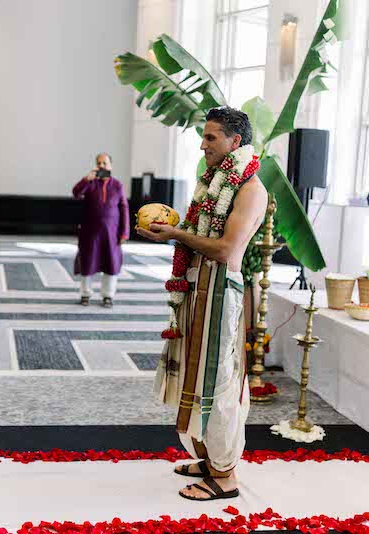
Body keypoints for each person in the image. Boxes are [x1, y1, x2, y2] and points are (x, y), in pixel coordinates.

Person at [136, 107, 268, 502]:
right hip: (198, 289)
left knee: (217, 381)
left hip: (220, 292)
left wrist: (176, 234)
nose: (203, 144)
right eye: (204, 136)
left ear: (235, 142)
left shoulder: (249, 189)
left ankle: (225, 476)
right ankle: (210, 459)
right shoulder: (213, 182)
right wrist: (176, 232)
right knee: (193, 375)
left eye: (211, 137)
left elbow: (228, 249)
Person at [72, 153, 129, 308]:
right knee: (87, 263)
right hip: (89, 233)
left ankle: (108, 296)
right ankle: (85, 294)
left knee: (111, 264)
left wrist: (125, 232)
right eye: (99, 163)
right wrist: (86, 179)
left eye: (105, 163)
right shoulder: (90, 183)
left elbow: (124, 208)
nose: (102, 166)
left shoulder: (117, 185)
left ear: (111, 165)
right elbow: (76, 193)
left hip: (112, 234)